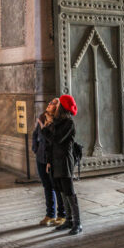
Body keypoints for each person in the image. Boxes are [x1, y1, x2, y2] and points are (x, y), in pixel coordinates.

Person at [40, 94, 82, 236]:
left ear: (62, 107)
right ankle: (68, 220)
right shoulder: (57, 121)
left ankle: (77, 223)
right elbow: (51, 144)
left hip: (64, 161)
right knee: (61, 190)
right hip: (55, 161)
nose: (55, 106)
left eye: (58, 105)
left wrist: (45, 129)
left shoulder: (69, 123)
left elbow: (56, 139)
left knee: (69, 191)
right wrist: (49, 161)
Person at [32, 98, 66, 227]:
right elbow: (35, 134)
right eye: (50, 102)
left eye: (53, 103)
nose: (49, 104)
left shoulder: (59, 122)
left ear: (57, 108)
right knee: (47, 186)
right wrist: (35, 149)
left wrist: (50, 159)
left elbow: (54, 141)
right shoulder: (42, 117)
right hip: (41, 157)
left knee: (56, 186)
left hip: (51, 158)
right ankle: (50, 214)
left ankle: (62, 214)